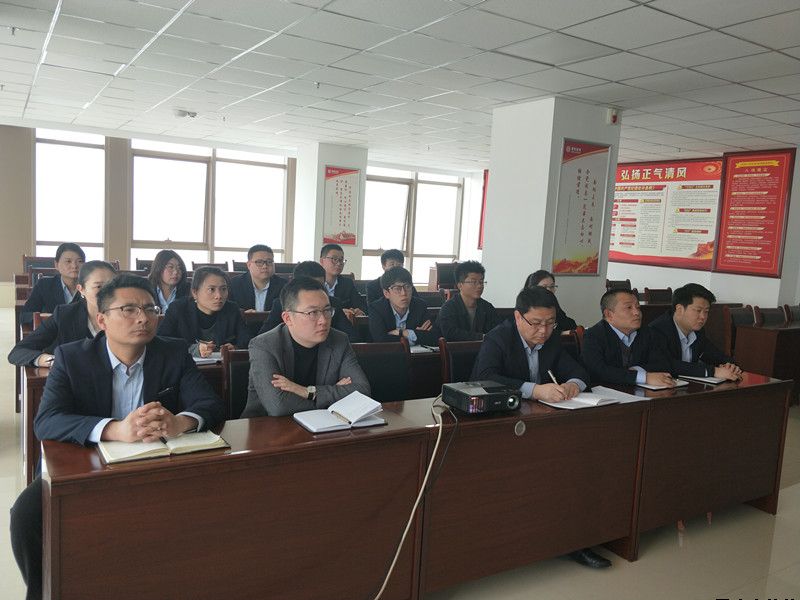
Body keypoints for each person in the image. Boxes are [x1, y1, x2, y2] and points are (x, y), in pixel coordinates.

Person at [9, 274, 226, 600]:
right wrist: (114, 429)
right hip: (87, 462)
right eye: (129, 309)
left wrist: (179, 422)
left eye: (150, 309)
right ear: (102, 320)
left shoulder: (173, 352)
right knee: (27, 515)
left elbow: (211, 405)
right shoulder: (72, 357)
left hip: (155, 462)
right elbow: (47, 420)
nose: (143, 318)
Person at [470, 285, 608, 569]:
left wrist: (573, 384)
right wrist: (534, 390)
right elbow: (485, 378)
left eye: (550, 323)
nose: (543, 331)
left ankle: (573, 540)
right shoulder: (499, 338)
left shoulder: (552, 339)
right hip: (502, 426)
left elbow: (580, 371)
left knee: (578, 466)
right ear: (518, 317)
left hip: (542, 425)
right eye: (536, 323)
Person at [241, 276, 370, 417]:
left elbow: (362, 390)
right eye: (312, 313)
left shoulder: (339, 340)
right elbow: (279, 407)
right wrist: (332, 396)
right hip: (268, 426)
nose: (323, 320)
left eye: (327, 311)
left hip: (324, 425)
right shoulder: (263, 346)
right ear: (288, 318)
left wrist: (306, 391)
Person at [8, 261, 116, 367]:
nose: (107, 292)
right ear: (81, 289)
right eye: (99, 286)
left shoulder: (125, 315)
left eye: (112, 286)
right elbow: (18, 351)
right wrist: (51, 361)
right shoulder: (65, 315)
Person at [649, 283, 742, 380]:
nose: (703, 317)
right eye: (698, 310)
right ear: (679, 309)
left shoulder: (697, 331)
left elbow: (715, 354)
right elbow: (668, 365)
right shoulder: (657, 331)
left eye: (706, 311)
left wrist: (731, 366)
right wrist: (713, 371)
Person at [581, 289, 673, 387]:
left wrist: (637, 370)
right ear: (609, 314)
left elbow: (663, 363)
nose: (637, 312)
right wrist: (643, 377)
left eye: (638, 307)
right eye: (629, 307)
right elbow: (597, 371)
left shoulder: (648, 333)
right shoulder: (593, 335)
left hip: (642, 391)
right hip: (608, 392)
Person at [158, 266, 250, 357]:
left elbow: (246, 340)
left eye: (223, 289)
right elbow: (163, 341)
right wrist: (193, 349)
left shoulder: (232, 309)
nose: (219, 296)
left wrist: (235, 348)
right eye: (211, 289)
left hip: (220, 364)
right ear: (195, 292)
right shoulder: (178, 309)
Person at [257, 261, 357, 341]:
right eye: (309, 287)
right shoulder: (281, 304)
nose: (315, 292)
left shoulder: (333, 303)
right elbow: (263, 337)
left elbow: (352, 337)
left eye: (320, 286)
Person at [368, 266, 440, 346]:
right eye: (397, 288)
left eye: (407, 287)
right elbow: (381, 341)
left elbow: (434, 338)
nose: (404, 293)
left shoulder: (420, 306)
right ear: (386, 293)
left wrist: (402, 332)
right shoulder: (376, 308)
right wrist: (416, 335)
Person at [20, 242, 85, 325]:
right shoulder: (44, 285)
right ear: (56, 265)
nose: (74, 266)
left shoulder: (91, 286)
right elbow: (25, 315)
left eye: (79, 261)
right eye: (68, 261)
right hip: (52, 331)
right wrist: (48, 319)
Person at [438, 260, 501, 341]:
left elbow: (498, 331)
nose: (479, 286)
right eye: (473, 282)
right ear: (460, 285)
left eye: (481, 282)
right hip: (457, 349)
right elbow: (451, 334)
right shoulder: (448, 308)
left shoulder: (487, 307)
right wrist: (482, 337)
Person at [228, 244, 286, 313]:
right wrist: (242, 314)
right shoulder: (234, 284)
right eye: (259, 262)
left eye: (269, 262)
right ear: (249, 265)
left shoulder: (285, 286)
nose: (265, 266)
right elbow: (227, 308)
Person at [319, 243, 366, 316]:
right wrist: (338, 313)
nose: (339, 263)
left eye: (341, 260)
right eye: (334, 259)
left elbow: (361, 306)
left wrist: (359, 311)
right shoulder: (315, 282)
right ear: (322, 261)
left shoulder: (347, 283)